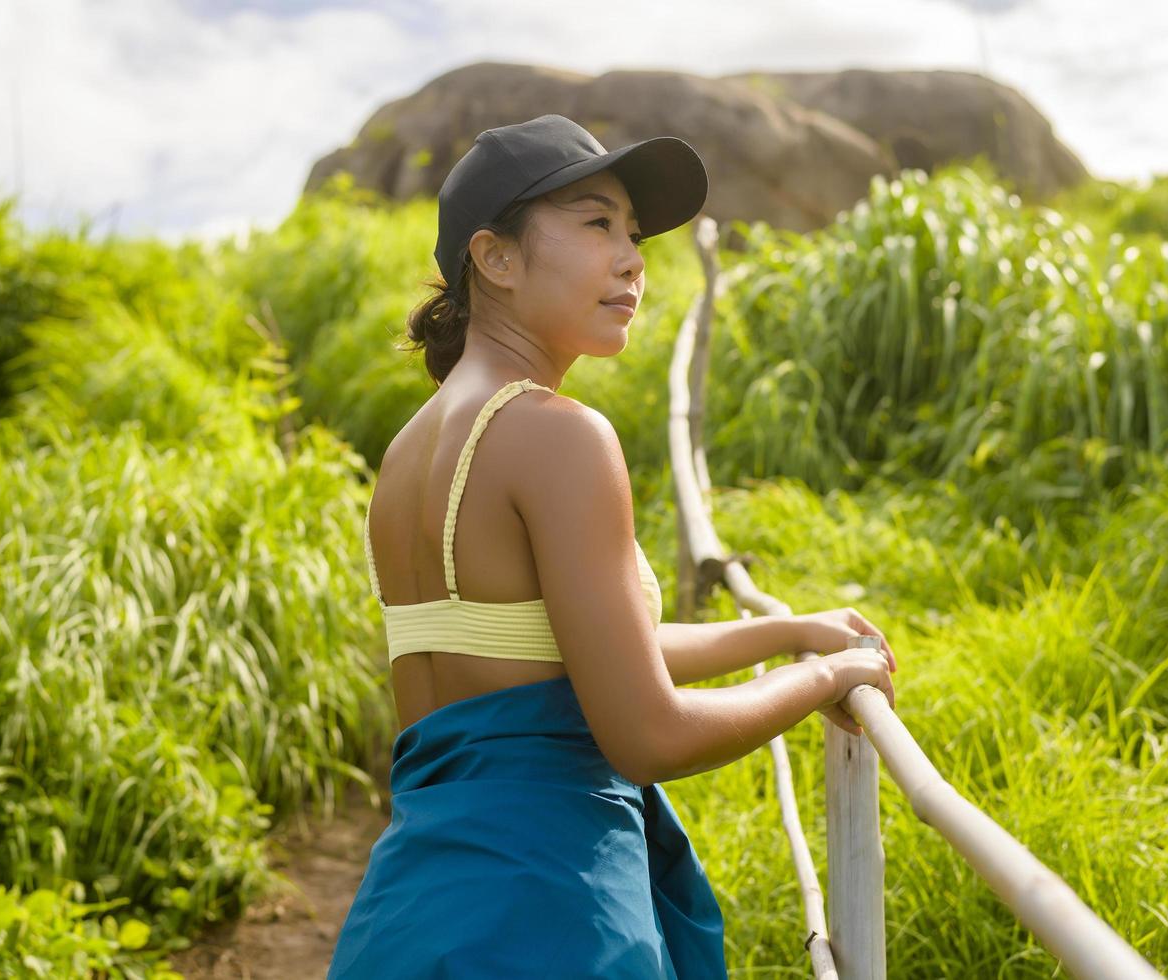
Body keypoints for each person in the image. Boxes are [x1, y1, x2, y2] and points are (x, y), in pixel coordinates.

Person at [325, 114, 897, 979]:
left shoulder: (409, 451)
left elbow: (570, 650)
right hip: (552, 914)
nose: (632, 259)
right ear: (498, 258)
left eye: (632, 234)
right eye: (597, 224)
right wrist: (823, 680)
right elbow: (646, 733)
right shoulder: (558, 434)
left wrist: (785, 632)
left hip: (411, 916)